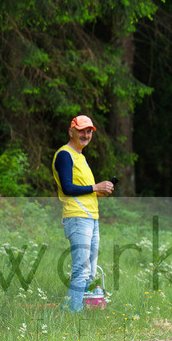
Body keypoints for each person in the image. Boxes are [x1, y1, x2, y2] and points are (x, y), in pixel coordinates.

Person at [52, 115, 114, 312]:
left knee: (90, 272)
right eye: (81, 131)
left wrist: (99, 192)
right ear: (71, 131)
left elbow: (83, 189)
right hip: (77, 217)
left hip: (91, 218)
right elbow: (68, 188)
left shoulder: (81, 157)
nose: (86, 135)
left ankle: (69, 308)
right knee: (81, 269)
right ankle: (73, 313)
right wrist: (95, 187)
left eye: (89, 131)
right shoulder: (65, 155)